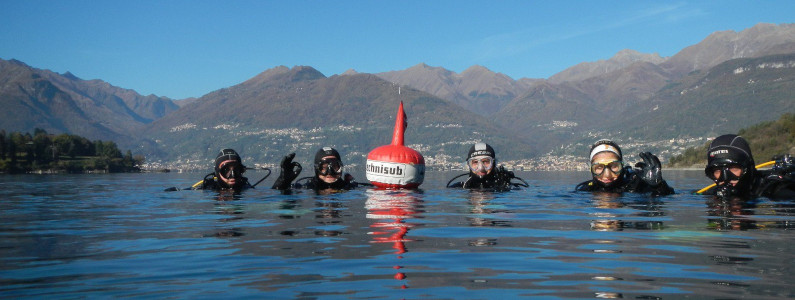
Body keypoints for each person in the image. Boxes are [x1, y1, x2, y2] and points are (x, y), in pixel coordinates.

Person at [702, 134, 795, 199]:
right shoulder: (712, 193)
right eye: (717, 171)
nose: (725, 178)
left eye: (733, 168)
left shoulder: (774, 189)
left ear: (748, 168)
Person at [575, 139, 674, 196]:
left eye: (614, 166)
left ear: (622, 166)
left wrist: (658, 186)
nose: (607, 175)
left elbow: (668, 198)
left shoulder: (637, 184)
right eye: (599, 167)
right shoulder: (585, 191)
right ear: (591, 169)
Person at [446, 142, 527, 190]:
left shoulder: (508, 187)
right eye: (475, 162)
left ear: (494, 163)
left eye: (486, 162)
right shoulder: (460, 187)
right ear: (469, 165)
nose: (481, 168)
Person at [286, 147, 363, 192]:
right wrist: (282, 182)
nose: (330, 172)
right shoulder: (305, 188)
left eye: (334, 167)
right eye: (324, 168)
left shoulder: (351, 188)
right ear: (317, 169)